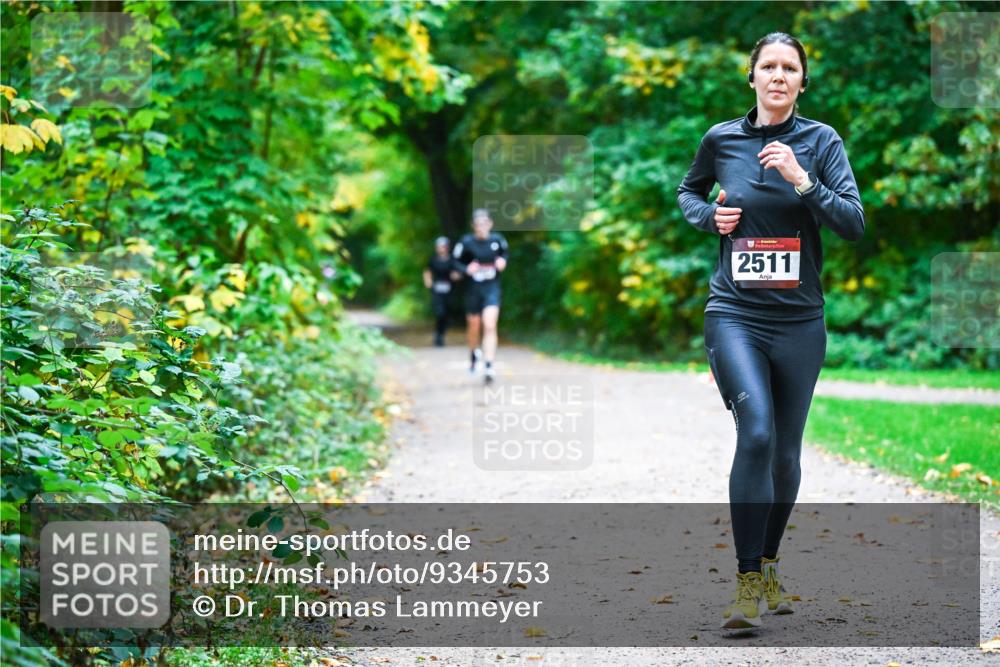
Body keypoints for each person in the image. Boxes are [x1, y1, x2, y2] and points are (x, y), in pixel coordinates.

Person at [676, 32, 865, 630]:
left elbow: (854, 223)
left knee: (785, 453)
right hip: (733, 313)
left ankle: (772, 559)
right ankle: (746, 581)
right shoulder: (722, 138)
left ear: (802, 82)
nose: (778, 76)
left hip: (799, 323)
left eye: (790, 68)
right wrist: (711, 218)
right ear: (751, 77)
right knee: (755, 433)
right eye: (769, 66)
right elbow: (688, 191)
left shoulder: (820, 142)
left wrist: (803, 181)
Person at [452, 209, 509, 383]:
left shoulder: (498, 241)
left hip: (491, 288)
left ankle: (489, 365)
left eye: (484, 223)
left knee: (490, 324)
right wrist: (466, 269)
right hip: (472, 290)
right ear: (473, 226)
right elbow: (455, 261)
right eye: (478, 224)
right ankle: (473, 353)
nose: (481, 227)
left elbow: (505, 255)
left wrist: (502, 262)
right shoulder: (466, 243)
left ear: (490, 224)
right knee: (474, 326)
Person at [423, 236, 458, 347]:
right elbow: (427, 271)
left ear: (447, 247)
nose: (441, 248)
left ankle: (441, 333)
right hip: (437, 290)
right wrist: (428, 282)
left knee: (447, 313)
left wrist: (456, 276)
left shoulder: (452, 260)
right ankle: (438, 335)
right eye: (439, 246)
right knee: (440, 312)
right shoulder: (433, 260)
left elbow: (458, 273)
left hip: (449, 291)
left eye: (443, 246)